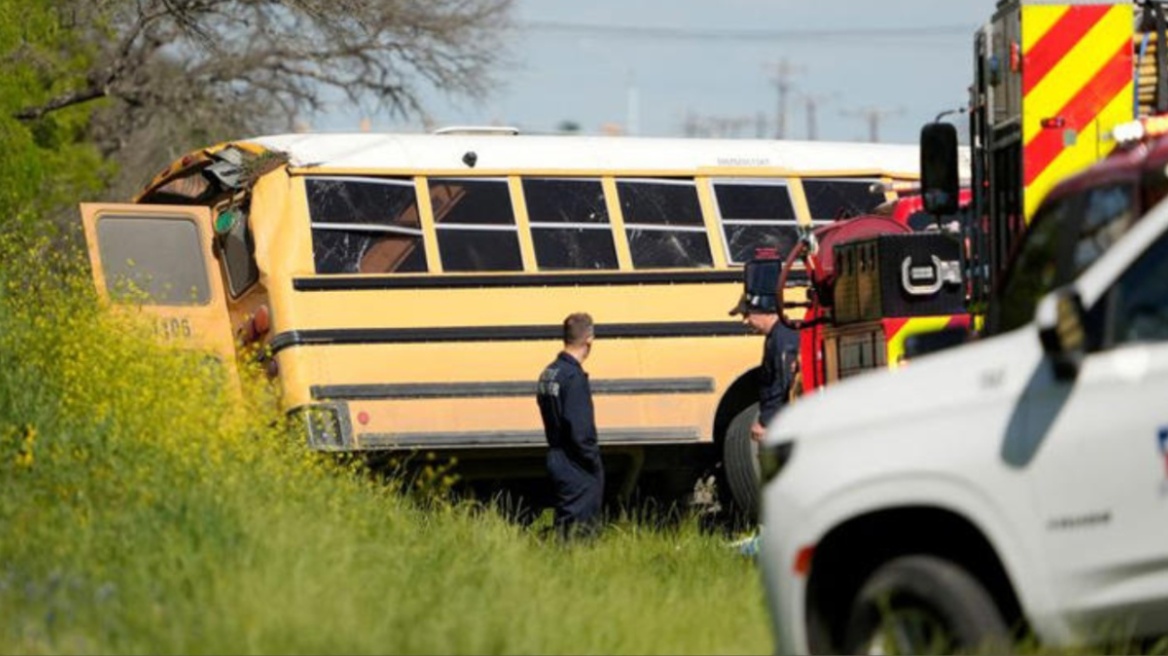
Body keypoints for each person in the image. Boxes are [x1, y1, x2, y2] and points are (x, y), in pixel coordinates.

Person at [536, 312, 604, 537]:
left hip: (556, 456)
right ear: (589, 340)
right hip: (576, 463)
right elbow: (580, 431)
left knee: (564, 526)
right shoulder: (573, 377)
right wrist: (593, 461)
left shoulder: (549, 373)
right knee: (580, 533)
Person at [729, 289, 800, 443]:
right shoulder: (777, 336)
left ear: (765, 311)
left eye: (747, 314)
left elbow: (784, 383)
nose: (745, 321)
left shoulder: (782, 338)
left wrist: (766, 421)